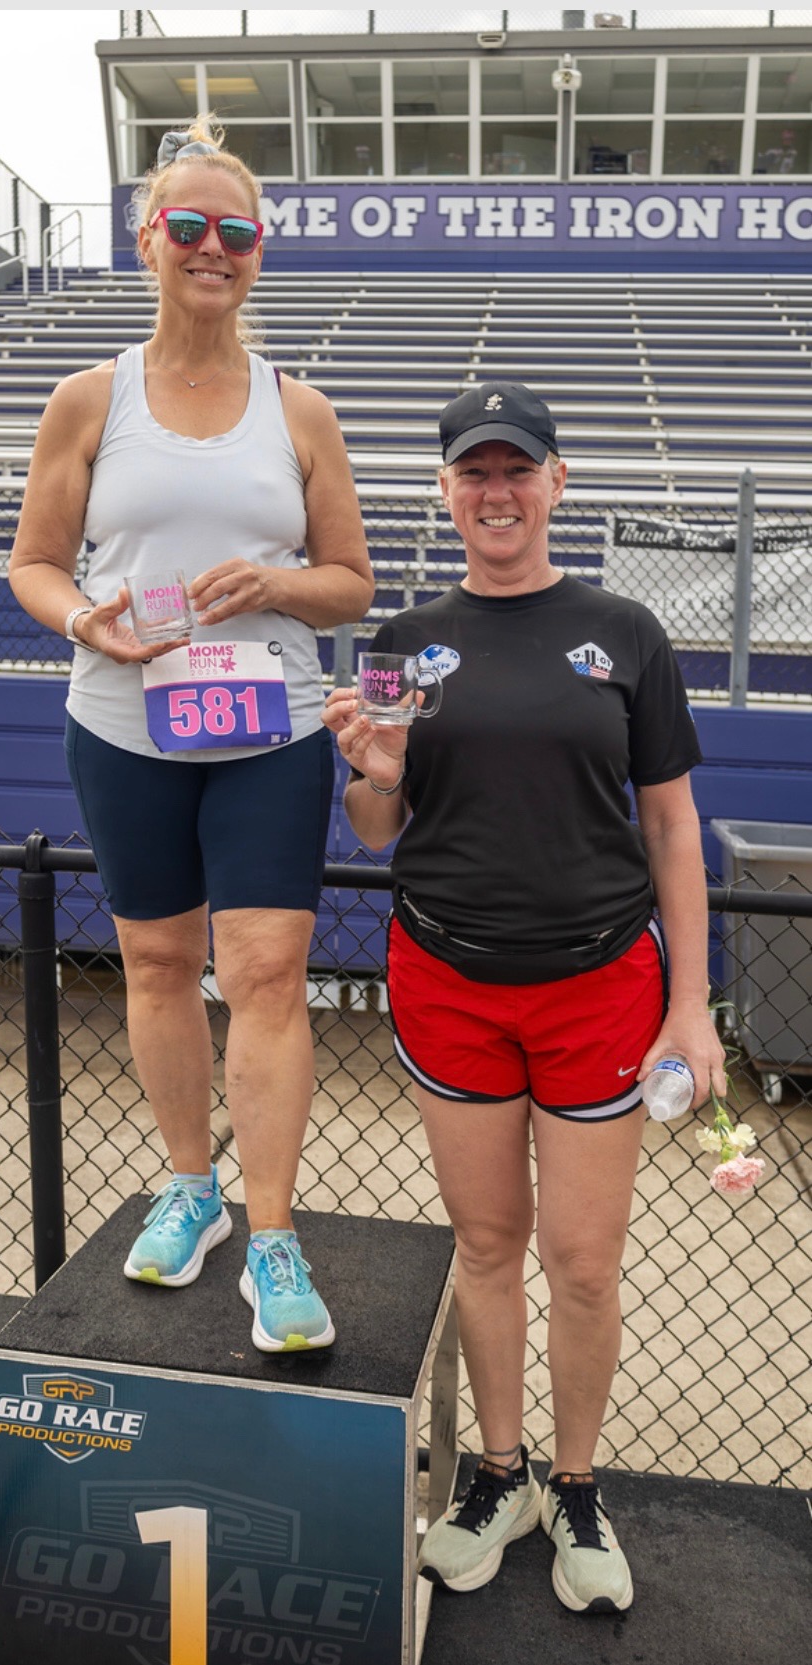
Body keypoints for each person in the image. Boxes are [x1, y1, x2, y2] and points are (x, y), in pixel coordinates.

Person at [322, 381, 725, 1611]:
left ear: (556, 484)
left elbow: (670, 823)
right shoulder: (402, 639)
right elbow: (381, 827)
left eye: (518, 469)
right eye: (473, 471)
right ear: (445, 492)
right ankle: (498, 1475)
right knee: (488, 1248)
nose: (496, 492)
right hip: (449, 978)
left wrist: (693, 1006)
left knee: (586, 1263)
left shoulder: (625, 631)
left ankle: (579, 1482)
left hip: (602, 986)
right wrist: (374, 772)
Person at [8, 117, 374, 1353]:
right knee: (158, 965)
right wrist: (88, 626)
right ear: (149, 240)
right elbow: (34, 566)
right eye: (189, 227)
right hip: (123, 724)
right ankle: (190, 1187)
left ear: (259, 253)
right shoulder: (89, 398)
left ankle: (273, 1236)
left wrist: (272, 587)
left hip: (265, 727)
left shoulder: (304, 409)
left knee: (266, 973)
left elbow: (352, 584)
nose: (214, 248)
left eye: (238, 231)